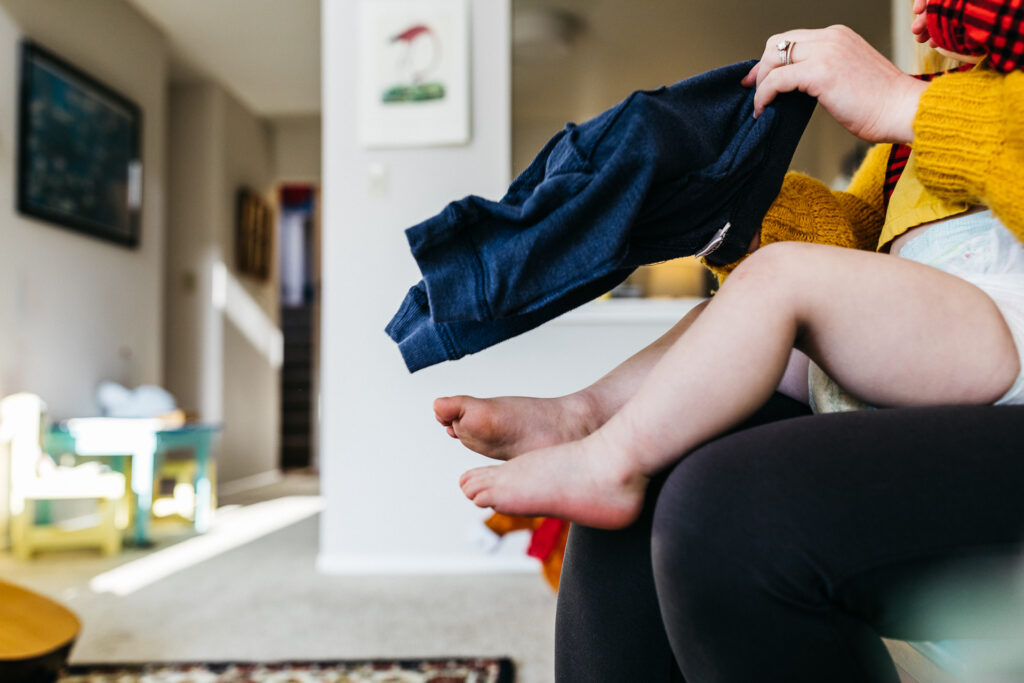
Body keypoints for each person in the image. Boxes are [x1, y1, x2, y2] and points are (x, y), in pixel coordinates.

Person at [433, 0, 1024, 679]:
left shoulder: (938, 104)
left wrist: (904, 104)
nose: (925, 21)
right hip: (923, 347)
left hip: (1003, 334)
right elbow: (848, 238)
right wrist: (731, 200)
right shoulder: (916, 133)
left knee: (782, 281)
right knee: (732, 316)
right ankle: (586, 414)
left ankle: (611, 456)